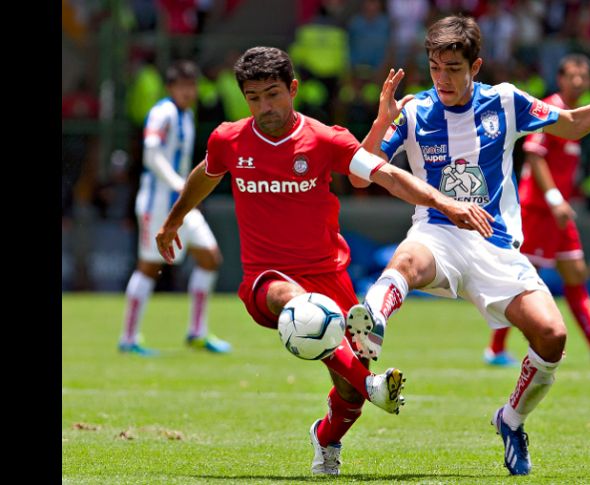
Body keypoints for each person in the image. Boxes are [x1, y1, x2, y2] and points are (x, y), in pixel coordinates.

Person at [345, 16, 590, 475]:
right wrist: (379, 124)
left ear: (476, 65)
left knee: (552, 337)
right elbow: (361, 170)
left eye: (453, 67)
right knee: (408, 258)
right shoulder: (414, 111)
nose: (443, 78)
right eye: (435, 67)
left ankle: (511, 420)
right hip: (438, 231)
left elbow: (572, 125)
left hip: (494, 244)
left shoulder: (506, 102)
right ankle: (372, 320)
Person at [154, 46, 493, 476]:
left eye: (273, 94)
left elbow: (385, 174)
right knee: (296, 304)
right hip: (267, 278)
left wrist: (443, 202)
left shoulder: (324, 139)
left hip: (328, 275)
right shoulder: (229, 138)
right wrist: (173, 220)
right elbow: (207, 172)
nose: (264, 107)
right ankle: (371, 386)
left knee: (346, 395)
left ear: (293, 89)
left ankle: (327, 437)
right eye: (254, 97)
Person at [484, 54, 590, 368]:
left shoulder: (575, 115)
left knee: (575, 273)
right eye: (573, 75)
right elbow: (534, 156)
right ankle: (497, 349)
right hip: (540, 210)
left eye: (584, 76)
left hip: (559, 213)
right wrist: (554, 198)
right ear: (560, 78)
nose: (579, 81)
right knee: (525, 282)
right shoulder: (549, 110)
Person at [119, 60, 230, 356]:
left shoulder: (187, 115)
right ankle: (128, 338)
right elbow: (151, 155)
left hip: (182, 204)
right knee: (148, 267)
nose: (188, 91)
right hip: (158, 203)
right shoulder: (162, 112)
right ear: (171, 88)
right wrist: (179, 184)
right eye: (183, 86)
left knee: (210, 257)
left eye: (192, 85)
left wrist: (187, 191)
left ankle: (197, 332)